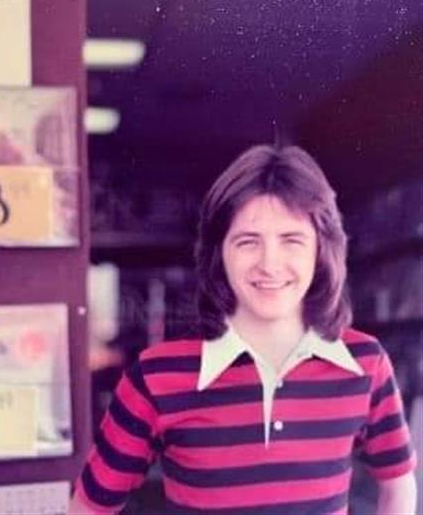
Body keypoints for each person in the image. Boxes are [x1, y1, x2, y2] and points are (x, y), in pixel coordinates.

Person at [69, 144, 417, 514]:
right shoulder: (155, 377)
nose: (270, 264)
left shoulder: (365, 362)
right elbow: (87, 508)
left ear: (321, 250)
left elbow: (398, 485)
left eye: (291, 240)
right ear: (219, 253)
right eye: (248, 241)